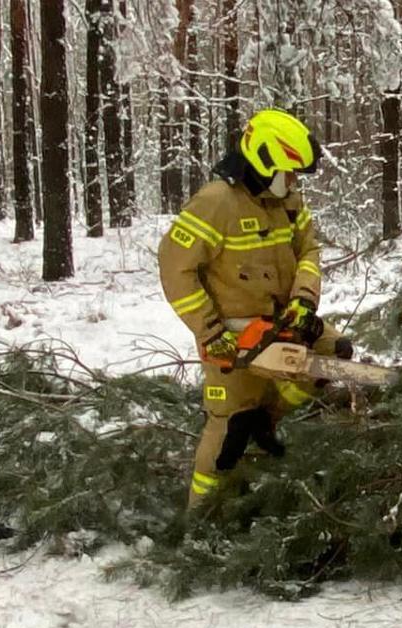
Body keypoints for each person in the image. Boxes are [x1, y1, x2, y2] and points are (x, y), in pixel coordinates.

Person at [158, 109, 351, 506]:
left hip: (283, 323)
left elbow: (309, 251)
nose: (295, 181)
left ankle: (269, 420)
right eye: (289, 172)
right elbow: (175, 268)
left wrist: (303, 300)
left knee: (332, 355)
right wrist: (210, 332)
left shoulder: (289, 202)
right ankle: (202, 513)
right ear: (264, 162)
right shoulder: (216, 204)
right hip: (231, 333)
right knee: (231, 425)